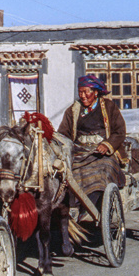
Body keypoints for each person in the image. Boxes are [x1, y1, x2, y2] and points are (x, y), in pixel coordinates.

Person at [57, 74, 127, 205]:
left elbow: (120, 131)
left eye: (86, 92)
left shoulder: (109, 107)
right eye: (80, 92)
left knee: (104, 169)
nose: (82, 96)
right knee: (68, 173)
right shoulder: (73, 110)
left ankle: (95, 206)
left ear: (95, 92)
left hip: (103, 153)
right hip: (79, 153)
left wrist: (107, 145)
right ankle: (76, 204)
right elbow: (63, 134)